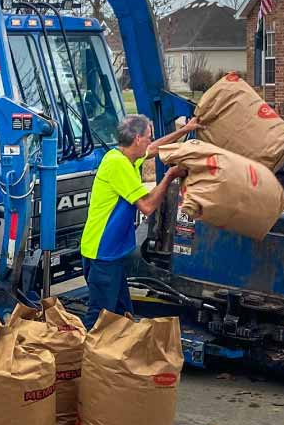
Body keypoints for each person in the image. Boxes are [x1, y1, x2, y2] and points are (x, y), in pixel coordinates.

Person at [78, 114, 198, 328]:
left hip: (111, 252)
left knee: (123, 314)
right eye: (148, 137)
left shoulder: (126, 157)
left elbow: (155, 150)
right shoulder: (118, 165)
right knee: (99, 318)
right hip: (102, 253)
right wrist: (170, 176)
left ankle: (116, 356)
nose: (150, 142)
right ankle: (84, 358)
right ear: (137, 139)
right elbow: (147, 206)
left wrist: (184, 130)